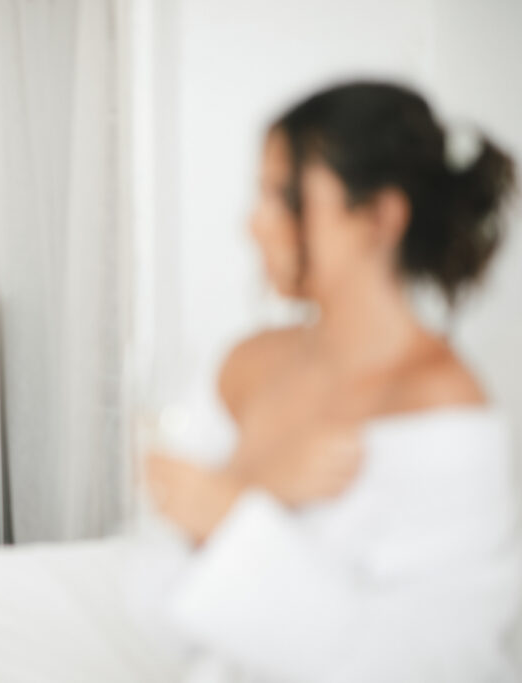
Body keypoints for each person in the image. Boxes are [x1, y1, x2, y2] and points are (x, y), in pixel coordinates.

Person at [141, 81, 521, 681]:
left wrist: (231, 507)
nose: (255, 224)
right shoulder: (245, 362)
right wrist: (257, 481)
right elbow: (151, 593)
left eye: (284, 197)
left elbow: (435, 665)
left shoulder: (445, 418)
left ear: (379, 218)